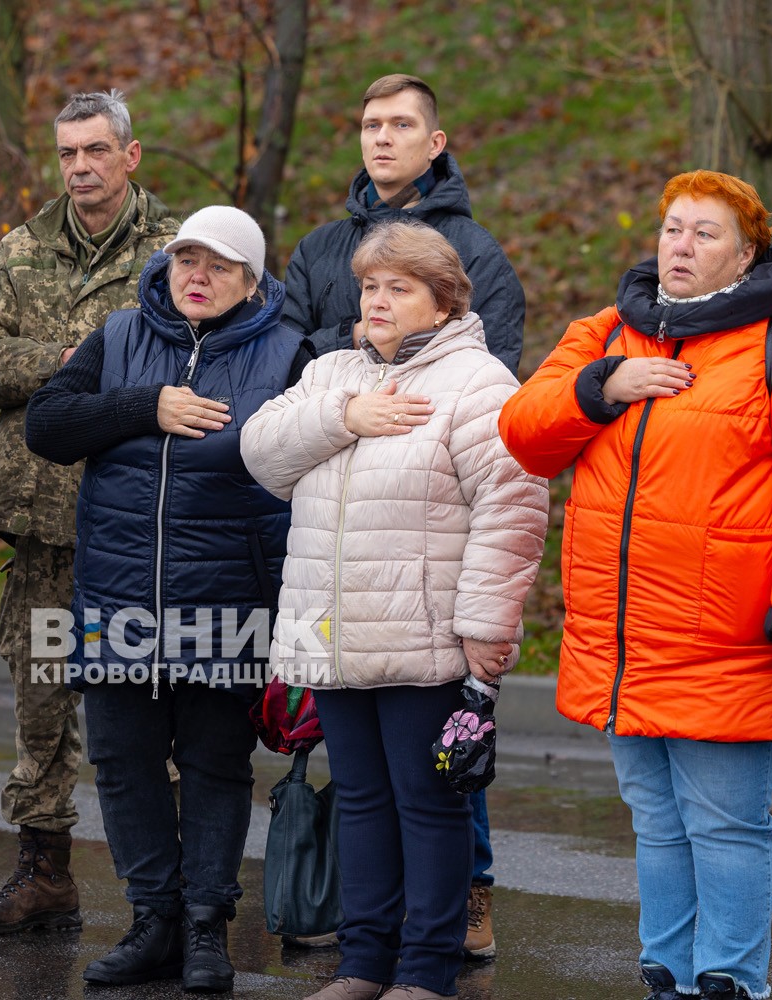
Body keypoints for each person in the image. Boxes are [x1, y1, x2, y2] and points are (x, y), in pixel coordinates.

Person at [498, 170, 772, 1000]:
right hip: (624, 634)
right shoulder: (606, 333)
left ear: (745, 253)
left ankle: (730, 982)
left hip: (731, 635)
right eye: (672, 229)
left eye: (705, 233)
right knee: (657, 822)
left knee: (725, 824)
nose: (681, 245)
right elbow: (525, 433)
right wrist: (602, 388)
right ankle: (669, 976)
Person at [242, 221, 548, 1000]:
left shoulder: (479, 384)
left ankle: (424, 972)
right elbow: (262, 451)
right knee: (363, 804)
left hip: (426, 635)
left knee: (428, 806)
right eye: (370, 285)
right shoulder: (334, 372)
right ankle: (364, 965)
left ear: (443, 302)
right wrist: (346, 416)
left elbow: (511, 509)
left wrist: (486, 625)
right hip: (337, 635)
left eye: (398, 288)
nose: (376, 300)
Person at [26, 206, 310, 992]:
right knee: (121, 762)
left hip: (232, 595)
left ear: (251, 281)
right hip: (114, 598)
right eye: (187, 258)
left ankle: (205, 929)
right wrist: (141, 405)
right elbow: (46, 425)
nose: (198, 275)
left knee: (217, 764)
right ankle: (152, 919)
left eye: (219, 265)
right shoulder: (118, 335)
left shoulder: (292, 352)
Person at [281, 73, 524, 953]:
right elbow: (292, 352)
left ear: (436, 140)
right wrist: (345, 398)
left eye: (401, 125)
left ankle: (466, 901)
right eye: (369, 123)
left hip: (424, 518)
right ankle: (368, 931)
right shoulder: (317, 248)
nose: (381, 138)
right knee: (364, 774)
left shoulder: (477, 253)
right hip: (337, 519)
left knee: (438, 772)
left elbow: (494, 381)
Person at [0, 89, 178, 934]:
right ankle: (44, 872)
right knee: (42, 695)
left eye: (94, 150)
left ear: (130, 154)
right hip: (42, 519)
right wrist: (68, 361)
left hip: (139, 521)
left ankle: (172, 897)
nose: (79, 167)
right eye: (66, 154)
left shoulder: (177, 251)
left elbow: (196, 356)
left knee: (153, 703)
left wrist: (102, 378)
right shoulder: (23, 250)